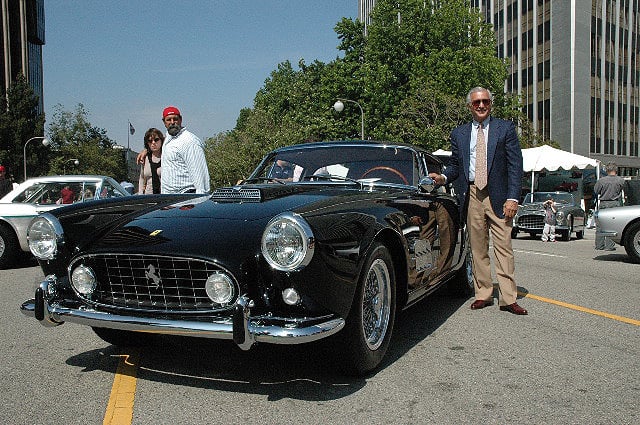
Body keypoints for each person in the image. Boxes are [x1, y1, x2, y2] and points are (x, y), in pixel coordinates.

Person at [429, 86, 527, 315]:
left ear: (491, 104)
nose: (481, 106)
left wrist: (514, 197)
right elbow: (455, 166)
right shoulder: (459, 134)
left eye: (485, 102)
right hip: (472, 194)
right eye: (476, 103)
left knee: (504, 247)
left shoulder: (506, 129)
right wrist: (442, 177)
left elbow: (515, 165)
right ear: (469, 106)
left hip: (500, 196)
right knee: (478, 248)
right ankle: (483, 293)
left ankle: (508, 298)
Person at [137, 106, 210, 194]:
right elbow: (157, 142)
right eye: (168, 120)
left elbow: (200, 175)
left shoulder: (190, 141)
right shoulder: (168, 140)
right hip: (170, 199)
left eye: (175, 119)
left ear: (180, 119)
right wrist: (146, 150)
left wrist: (199, 200)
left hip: (186, 197)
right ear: (164, 122)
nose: (172, 122)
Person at [594, 162, 625, 251]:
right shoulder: (620, 180)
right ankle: (609, 246)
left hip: (603, 203)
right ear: (616, 170)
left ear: (607, 170)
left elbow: (596, 191)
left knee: (600, 225)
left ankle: (599, 245)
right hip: (615, 204)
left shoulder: (601, 180)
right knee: (612, 226)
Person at [138, 128, 164, 194]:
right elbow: (141, 178)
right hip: (149, 197)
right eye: (150, 141)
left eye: (156, 140)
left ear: (161, 140)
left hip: (165, 197)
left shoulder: (167, 156)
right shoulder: (145, 158)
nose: (153, 143)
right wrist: (140, 195)